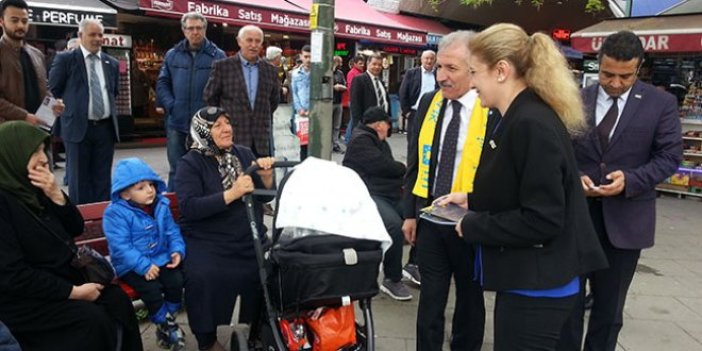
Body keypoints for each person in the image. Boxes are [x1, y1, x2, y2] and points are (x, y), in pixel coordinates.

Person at [438, 23, 608, 351]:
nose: (471, 84)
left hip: (539, 286)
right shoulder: (521, 115)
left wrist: (474, 225)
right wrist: (471, 199)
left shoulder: (530, 122)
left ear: (501, 70)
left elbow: (543, 218)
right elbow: (520, 186)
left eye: (475, 72)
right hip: (531, 279)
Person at [557, 30, 683, 351]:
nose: (615, 83)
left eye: (624, 76)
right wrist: (575, 176)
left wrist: (631, 180)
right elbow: (559, 150)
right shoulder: (576, 99)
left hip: (626, 221)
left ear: (638, 68)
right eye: (607, 74)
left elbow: (669, 157)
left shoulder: (660, 104)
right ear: (598, 65)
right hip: (577, 217)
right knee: (567, 302)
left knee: (609, 309)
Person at [0, 121, 143, 351]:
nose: (44, 158)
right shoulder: (4, 202)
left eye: (43, 150)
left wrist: (56, 194)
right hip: (27, 300)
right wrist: (73, 292)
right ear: (12, 154)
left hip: (64, 281)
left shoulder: (35, 189)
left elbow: (75, 227)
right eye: (34, 151)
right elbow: (13, 275)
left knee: (118, 302)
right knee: (92, 322)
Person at [402, 31, 488, 351]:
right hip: (431, 217)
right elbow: (415, 160)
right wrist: (409, 213)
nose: (441, 77)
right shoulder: (429, 102)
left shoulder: (489, 105)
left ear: (475, 68)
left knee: (469, 301)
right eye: (439, 67)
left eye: (452, 69)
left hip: (471, 221)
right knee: (430, 302)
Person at [175, 106, 275, 351]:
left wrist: (267, 175)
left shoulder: (242, 153)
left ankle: (258, 329)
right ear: (202, 131)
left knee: (270, 272)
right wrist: (232, 194)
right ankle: (207, 339)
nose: (226, 128)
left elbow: (265, 197)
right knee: (203, 275)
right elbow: (189, 207)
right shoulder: (190, 163)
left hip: (247, 236)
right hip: (208, 240)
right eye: (217, 125)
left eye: (227, 123)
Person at [103, 157, 186, 350]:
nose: (150, 190)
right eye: (141, 187)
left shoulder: (160, 205)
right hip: (131, 265)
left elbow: (172, 231)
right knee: (151, 289)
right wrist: (143, 266)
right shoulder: (115, 213)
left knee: (176, 281)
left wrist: (176, 250)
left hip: (160, 257)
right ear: (125, 194)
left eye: (151, 184)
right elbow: (120, 246)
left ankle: (167, 322)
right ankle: (166, 325)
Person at [343, 106, 412, 301]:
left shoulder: (376, 141)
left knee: (417, 216)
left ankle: (414, 265)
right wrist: (403, 168)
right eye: (388, 124)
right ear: (380, 125)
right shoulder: (361, 140)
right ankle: (392, 278)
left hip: (388, 193)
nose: (389, 128)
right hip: (368, 195)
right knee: (393, 226)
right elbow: (383, 165)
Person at [48, 18, 120, 204]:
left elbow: (113, 92)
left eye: (100, 35)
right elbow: (52, 90)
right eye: (92, 34)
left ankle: (102, 221)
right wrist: (45, 123)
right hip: (78, 129)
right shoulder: (66, 59)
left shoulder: (111, 63)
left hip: (105, 129)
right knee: (79, 181)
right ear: (80, 36)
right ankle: (83, 226)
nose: (97, 38)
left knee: (103, 180)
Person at [157, 12, 226, 192]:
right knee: (177, 169)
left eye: (199, 28)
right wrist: (171, 105)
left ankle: (205, 209)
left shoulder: (218, 55)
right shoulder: (173, 55)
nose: (195, 32)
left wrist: (214, 115)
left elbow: (223, 89)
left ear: (205, 29)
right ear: (183, 30)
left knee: (207, 169)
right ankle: (175, 210)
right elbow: (162, 82)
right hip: (177, 122)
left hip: (206, 124)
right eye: (190, 28)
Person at [204, 25, 280, 157]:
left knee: (259, 177)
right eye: (249, 40)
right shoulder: (223, 67)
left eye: (258, 41)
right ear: (239, 41)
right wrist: (222, 124)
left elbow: (273, 101)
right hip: (232, 137)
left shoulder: (271, 71)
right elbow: (210, 97)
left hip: (261, 140)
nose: (254, 45)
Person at [0, 0, 64, 125]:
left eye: (24, 21)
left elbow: (43, 88)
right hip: (7, 133)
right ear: (1, 21)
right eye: (14, 20)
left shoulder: (37, 54)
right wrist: (24, 116)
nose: (20, 25)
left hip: (39, 129)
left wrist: (54, 103)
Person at [349, 53, 390, 144]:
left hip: (381, 127)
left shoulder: (381, 82)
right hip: (367, 127)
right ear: (368, 64)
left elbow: (385, 102)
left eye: (379, 65)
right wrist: (359, 128)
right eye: (374, 64)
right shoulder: (359, 80)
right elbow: (355, 106)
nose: (377, 67)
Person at [399, 50, 437, 140]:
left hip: (433, 114)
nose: (429, 61)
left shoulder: (438, 74)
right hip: (415, 113)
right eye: (426, 58)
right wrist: (407, 112)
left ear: (435, 60)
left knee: (429, 141)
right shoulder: (412, 73)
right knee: (413, 142)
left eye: (431, 59)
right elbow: (403, 92)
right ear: (421, 59)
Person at [291, 44, 311, 160]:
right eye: (306, 56)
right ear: (301, 57)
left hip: (315, 114)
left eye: (311, 57)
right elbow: (294, 93)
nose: (308, 59)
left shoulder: (319, 73)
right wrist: (299, 109)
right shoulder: (295, 73)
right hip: (301, 115)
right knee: (303, 146)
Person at [344, 54, 365, 143]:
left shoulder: (361, 73)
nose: (362, 65)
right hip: (353, 100)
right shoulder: (352, 73)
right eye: (360, 63)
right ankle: (348, 139)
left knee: (355, 120)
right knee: (353, 120)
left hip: (358, 100)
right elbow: (351, 88)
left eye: (363, 63)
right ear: (355, 64)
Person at [332, 55, 347, 153]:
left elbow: (345, 84)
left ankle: (335, 143)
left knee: (337, 125)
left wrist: (342, 87)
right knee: (329, 124)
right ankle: (328, 144)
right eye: (339, 62)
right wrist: (333, 87)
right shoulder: (327, 72)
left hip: (338, 101)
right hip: (330, 101)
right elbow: (324, 84)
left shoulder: (340, 73)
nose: (341, 64)